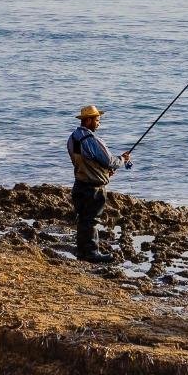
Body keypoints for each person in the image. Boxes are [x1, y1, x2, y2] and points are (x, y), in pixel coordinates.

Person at [67, 104, 131, 263]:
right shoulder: (93, 140)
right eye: (97, 120)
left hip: (79, 184)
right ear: (88, 120)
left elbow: (83, 161)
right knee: (91, 220)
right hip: (93, 188)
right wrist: (122, 159)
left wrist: (102, 170)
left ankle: (82, 251)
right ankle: (92, 253)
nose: (99, 123)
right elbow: (110, 161)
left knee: (83, 219)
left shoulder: (73, 137)